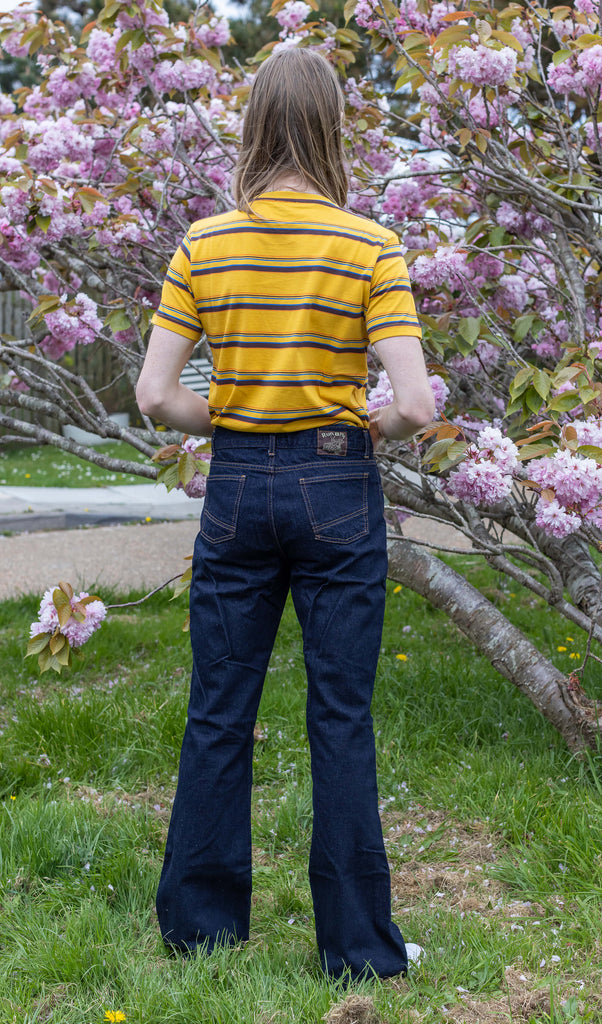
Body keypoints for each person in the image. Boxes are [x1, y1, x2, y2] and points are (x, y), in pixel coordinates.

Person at [136, 46, 435, 981]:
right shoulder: (369, 245)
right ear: (333, 125)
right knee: (339, 716)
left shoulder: (204, 243)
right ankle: (357, 950)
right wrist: (362, 422)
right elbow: (417, 407)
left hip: (235, 486)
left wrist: (225, 414)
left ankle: (200, 930)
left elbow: (153, 395)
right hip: (337, 485)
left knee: (220, 708)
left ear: (256, 124)